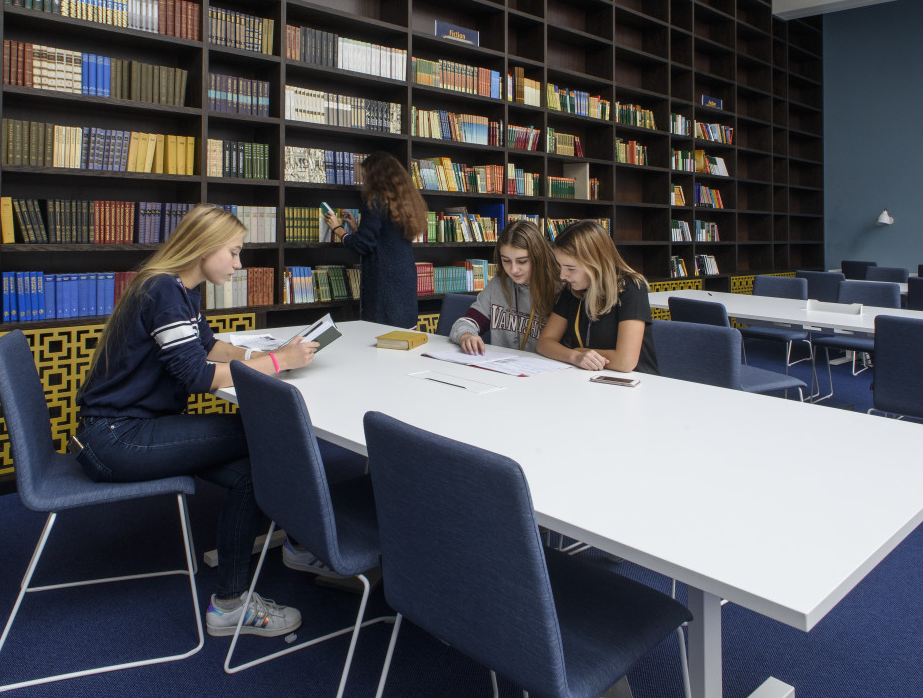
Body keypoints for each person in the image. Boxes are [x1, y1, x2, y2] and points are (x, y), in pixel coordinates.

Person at [75, 205, 318, 638]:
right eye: (234, 252)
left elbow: (208, 347)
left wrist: (263, 355)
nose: (239, 264)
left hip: (124, 430)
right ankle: (299, 545)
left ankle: (232, 602)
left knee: (249, 473)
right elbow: (198, 376)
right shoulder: (163, 291)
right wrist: (279, 362)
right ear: (204, 248)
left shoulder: (178, 288)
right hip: (117, 438)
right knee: (265, 432)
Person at [536, 219, 659, 374]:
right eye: (560, 266)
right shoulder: (573, 289)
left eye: (571, 268)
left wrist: (580, 351)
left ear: (595, 264)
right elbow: (544, 343)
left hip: (636, 381)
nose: (562, 276)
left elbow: (625, 362)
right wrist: (575, 356)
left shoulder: (632, 288)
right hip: (589, 378)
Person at [323, 151, 427, 328]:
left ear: (375, 177)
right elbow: (385, 237)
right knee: (403, 333)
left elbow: (362, 246)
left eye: (365, 176)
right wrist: (357, 229)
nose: (364, 181)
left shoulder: (376, 201)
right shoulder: (404, 202)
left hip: (384, 282)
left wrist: (338, 229)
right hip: (404, 278)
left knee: (380, 334)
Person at [448, 219, 560, 354]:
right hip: (502, 364)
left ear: (538, 256)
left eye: (522, 261)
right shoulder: (498, 283)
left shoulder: (559, 290)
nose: (513, 270)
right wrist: (467, 336)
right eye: (506, 261)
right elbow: (466, 323)